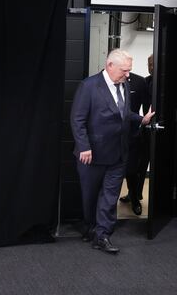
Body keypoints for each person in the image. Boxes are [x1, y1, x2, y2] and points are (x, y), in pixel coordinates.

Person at [70, 49, 154, 254]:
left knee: (110, 196)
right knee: (90, 196)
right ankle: (90, 227)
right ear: (110, 66)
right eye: (125, 70)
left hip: (118, 154)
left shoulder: (124, 84)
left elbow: (123, 113)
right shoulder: (88, 86)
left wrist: (141, 119)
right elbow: (77, 119)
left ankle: (103, 235)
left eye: (129, 71)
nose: (128, 75)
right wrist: (84, 146)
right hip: (92, 154)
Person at [120, 54, 154, 215]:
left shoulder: (140, 82)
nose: (150, 67)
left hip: (133, 133)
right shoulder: (103, 81)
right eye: (149, 64)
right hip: (111, 135)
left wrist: (145, 123)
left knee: (132, 169)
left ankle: (135, 199)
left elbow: (148, 108)